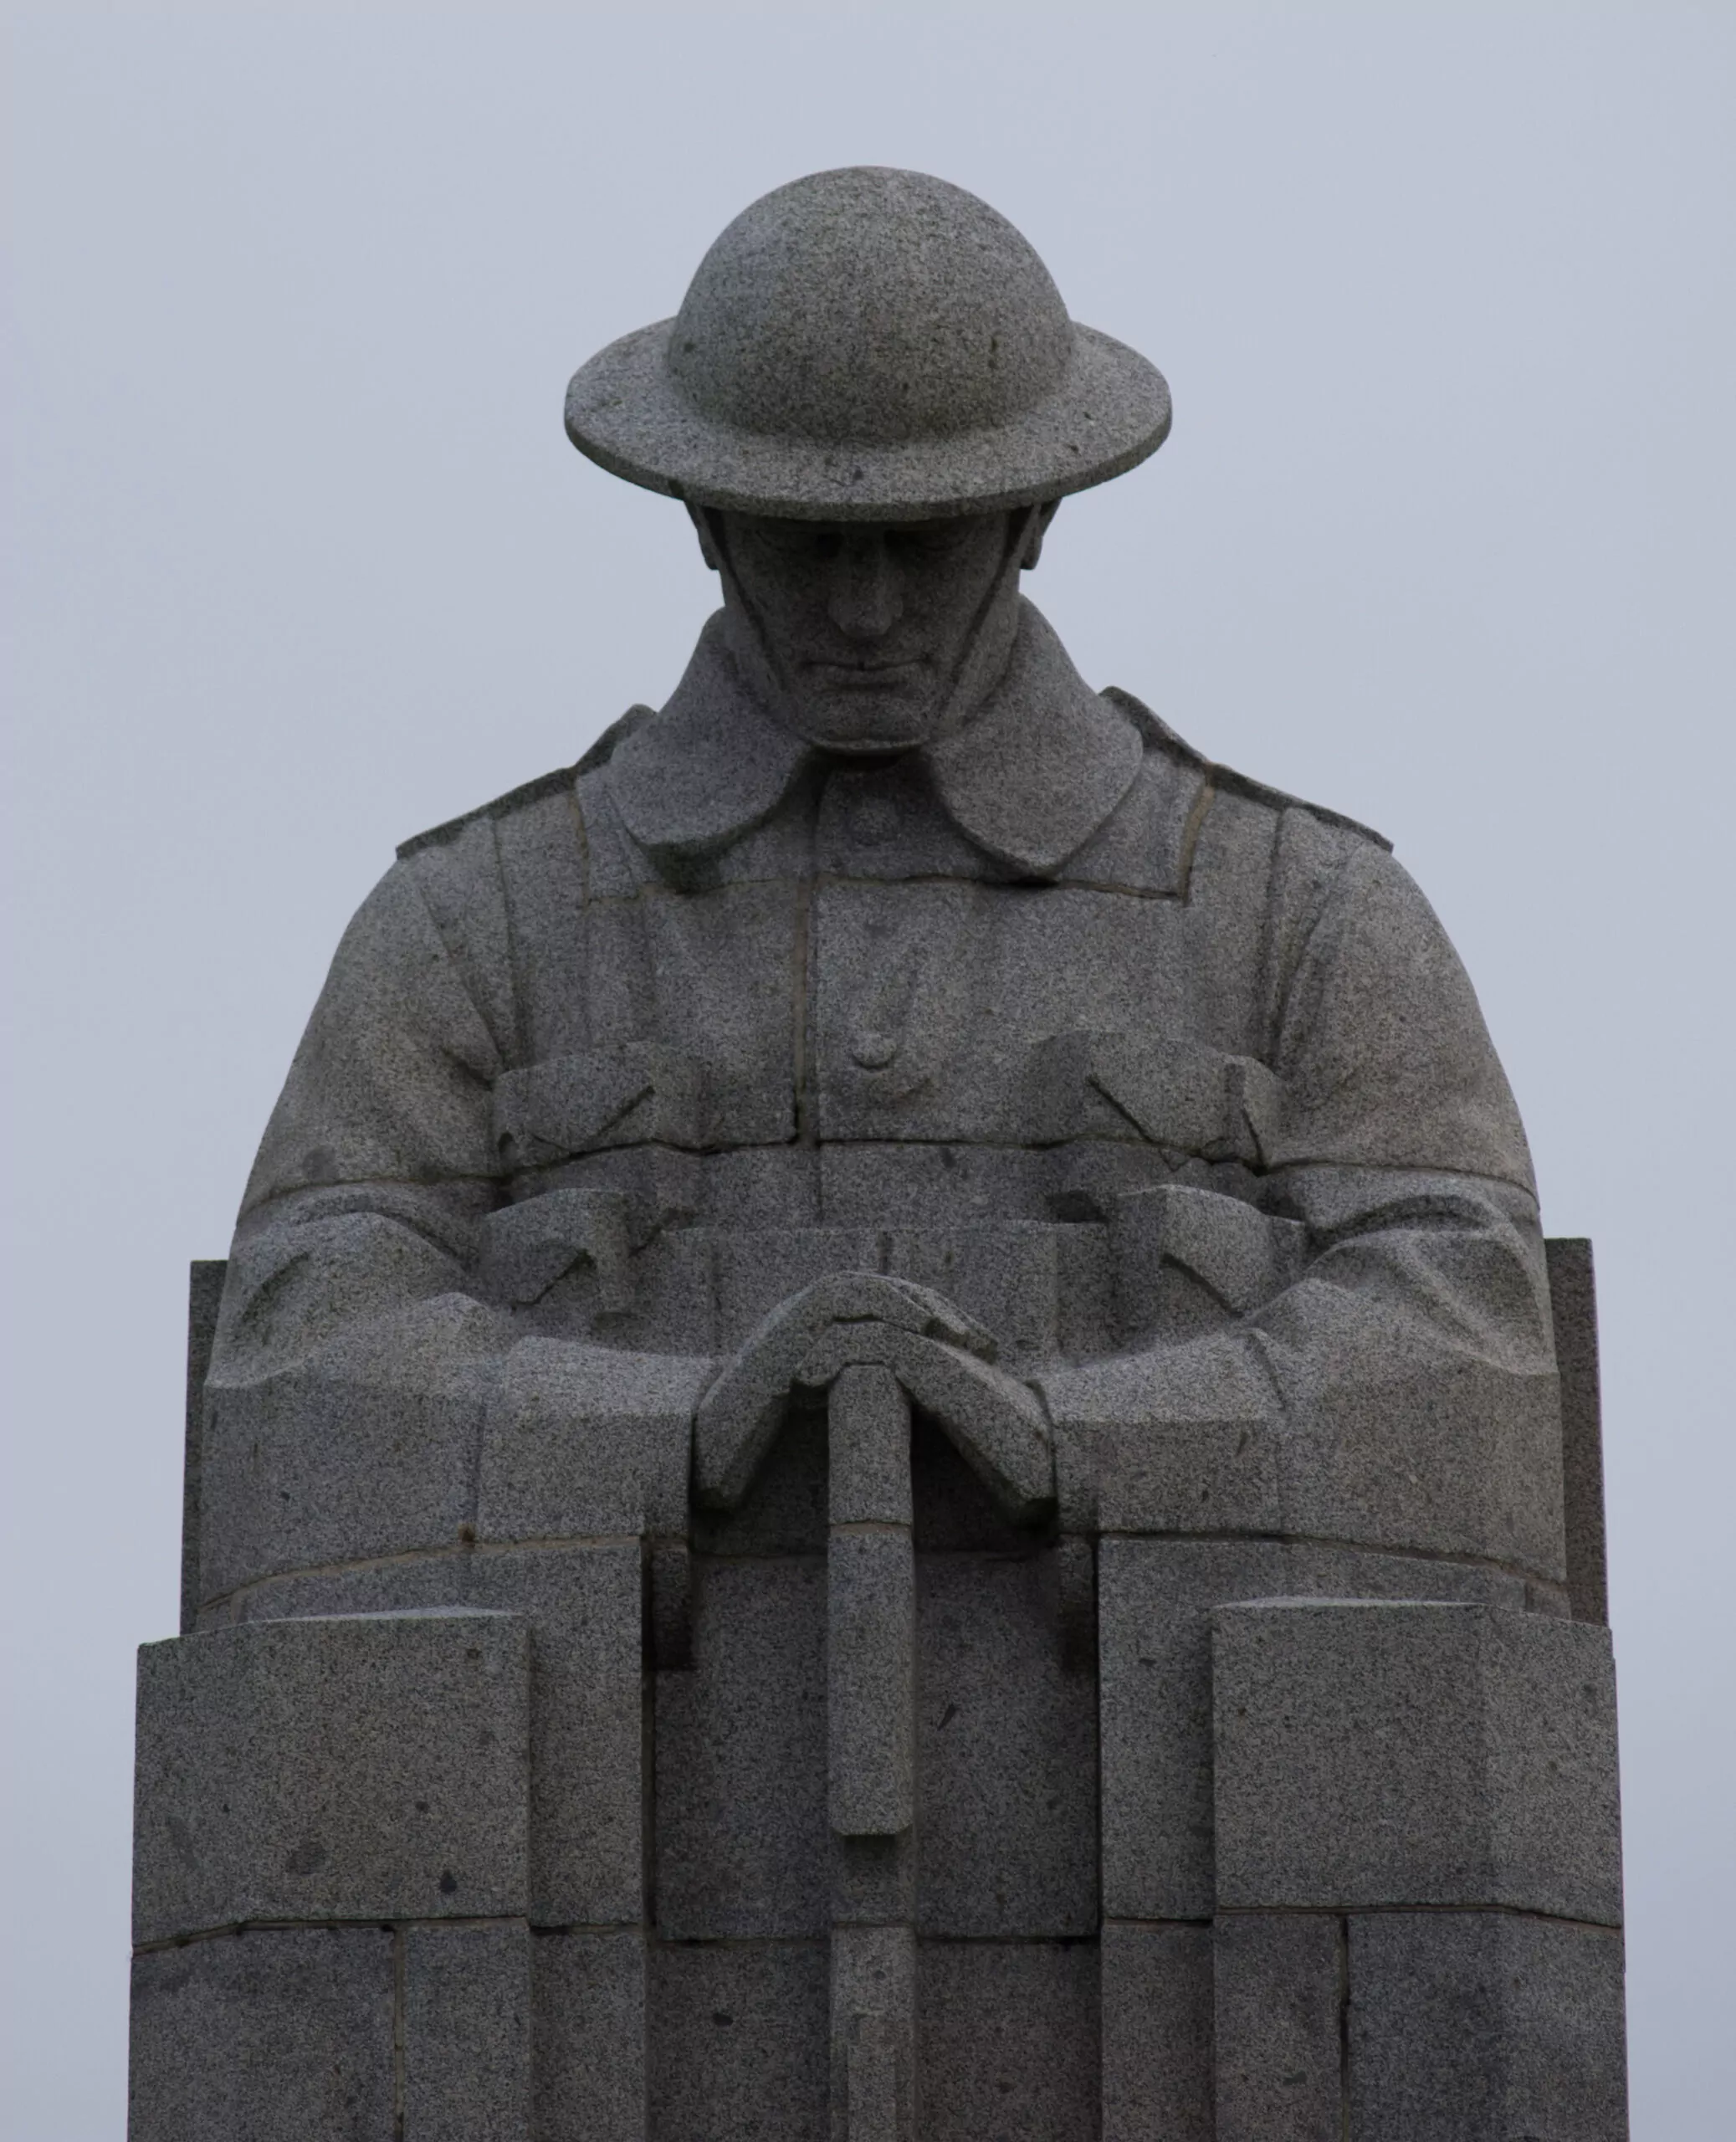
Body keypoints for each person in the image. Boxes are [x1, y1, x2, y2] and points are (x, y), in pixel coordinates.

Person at [191, 167, 1585, 2135]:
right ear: (699, 518)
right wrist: (676, 1426)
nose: (862, 610)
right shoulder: (472, 925)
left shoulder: (1300, 910)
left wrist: (1083, 1437)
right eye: (801, 541)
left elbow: (1469, 1357)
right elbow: (297, 1367)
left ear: (1027, 515)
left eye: (920, 545)